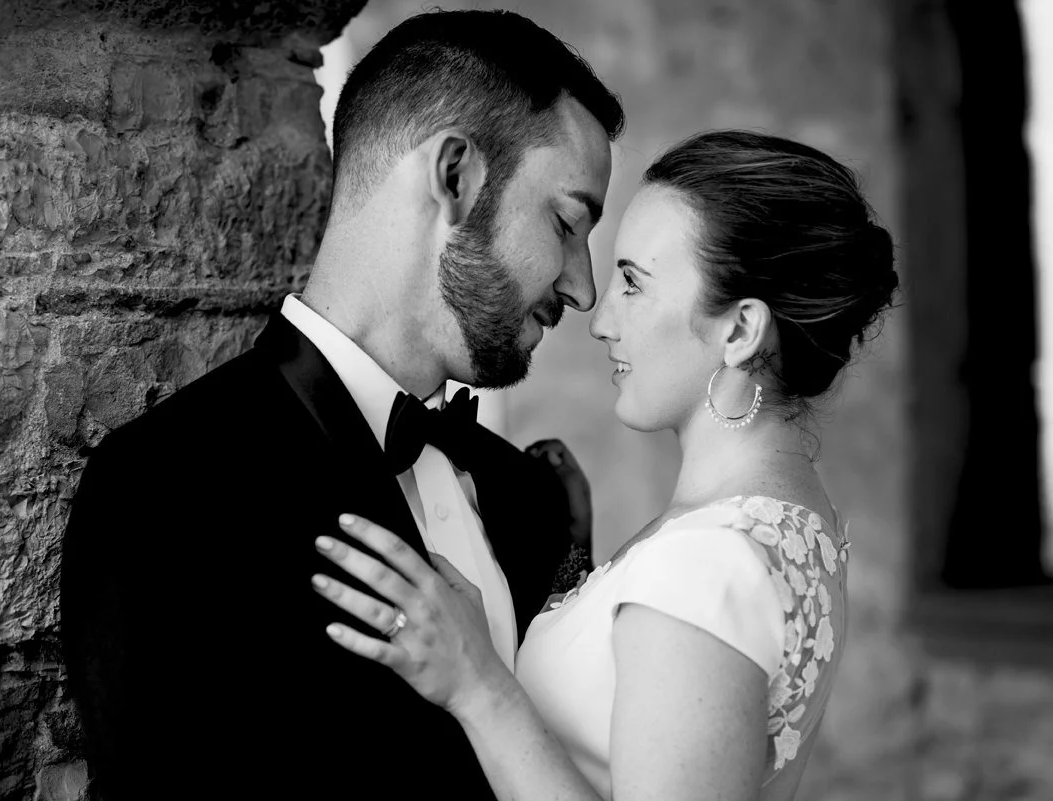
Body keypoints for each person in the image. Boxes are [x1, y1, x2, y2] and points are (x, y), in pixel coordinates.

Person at [58, 9, 624, 800]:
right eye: (566, 222)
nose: (582, 285)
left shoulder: (527, 498)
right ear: (455, 175)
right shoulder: (161, 489)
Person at [312, 130, 899, 801]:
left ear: (739, 331)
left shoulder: (705, 564)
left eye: (633, 282)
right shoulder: (793, 519)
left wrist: (477, 685)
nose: (599, 319)